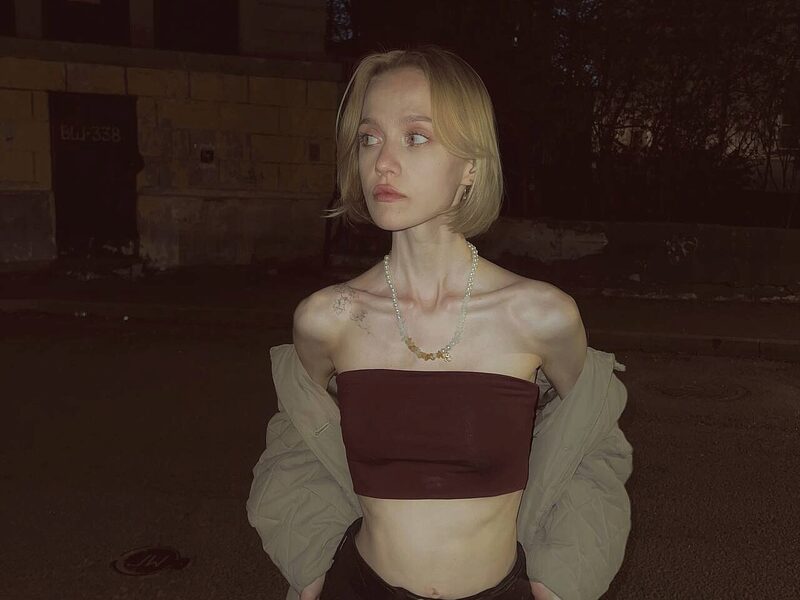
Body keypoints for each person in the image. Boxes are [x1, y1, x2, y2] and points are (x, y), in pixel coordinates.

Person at [246, 45, 633, 600]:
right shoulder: (327, 319)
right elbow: (295, 446)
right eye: (369, 138)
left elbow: (592, 448)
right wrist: (311, 569)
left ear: (471, 164)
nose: (382, 162)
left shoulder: (540, 315)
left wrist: (560, 580)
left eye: (415, 136)